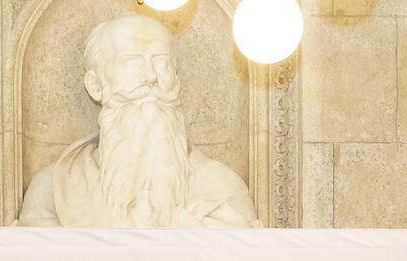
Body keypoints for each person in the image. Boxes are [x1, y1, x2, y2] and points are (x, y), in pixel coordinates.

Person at [14, 13, 261, 228]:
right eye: (132, 61)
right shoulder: (55, 193)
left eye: (161, 62)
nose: (151, 76)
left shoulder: (223, 189)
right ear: (95, 86)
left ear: (176, 82)